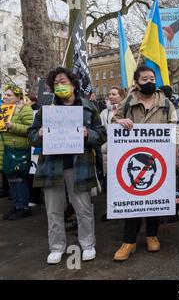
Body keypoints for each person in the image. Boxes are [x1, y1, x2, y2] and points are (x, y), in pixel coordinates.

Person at [28, 67, 106, 264]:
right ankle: (56, 247)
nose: (60, 86)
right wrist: (40, 135)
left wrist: (89, 134)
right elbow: (31, 135)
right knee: (53, 211)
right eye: (56, 83)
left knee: (83, 209)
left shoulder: (89, 107)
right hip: (51, 167)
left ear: (73, 84)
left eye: (63, 82)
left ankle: (88, 244)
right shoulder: (46, 110)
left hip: (79, 166)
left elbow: (102, 134)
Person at [112, 66, 178, 261]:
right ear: (136, 82)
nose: (149, 82)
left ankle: (152, 235)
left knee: (155, 197)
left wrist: (174, 157)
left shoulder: (166, 103)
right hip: (133, 159)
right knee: (132, 199)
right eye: (144, 79)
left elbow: (174, 131)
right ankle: (129, 241)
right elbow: (114, 122)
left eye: (152, 78)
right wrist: (120, 122)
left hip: (159, 159)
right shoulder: (127, 102)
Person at [1, 85, 34, 220]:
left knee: (19, 179)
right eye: (5, 95)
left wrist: (12, 126)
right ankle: (17, 205)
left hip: (18, 150)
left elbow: (30, 129)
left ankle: (24, 207)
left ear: (18, 97)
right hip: (6, 149)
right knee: (11, 179)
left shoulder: (25, 109)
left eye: (9, 95)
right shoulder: (4, 109)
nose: (5, 97)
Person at [99, 86, 126, 220]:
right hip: (108, 151)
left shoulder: (127, 109)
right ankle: (111, 208)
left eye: (114, 94)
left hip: (123, 150)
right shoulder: (104, 113)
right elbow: (101, 130)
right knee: (109, 181)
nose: (110, 96)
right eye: (109, 94)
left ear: (121, 96)